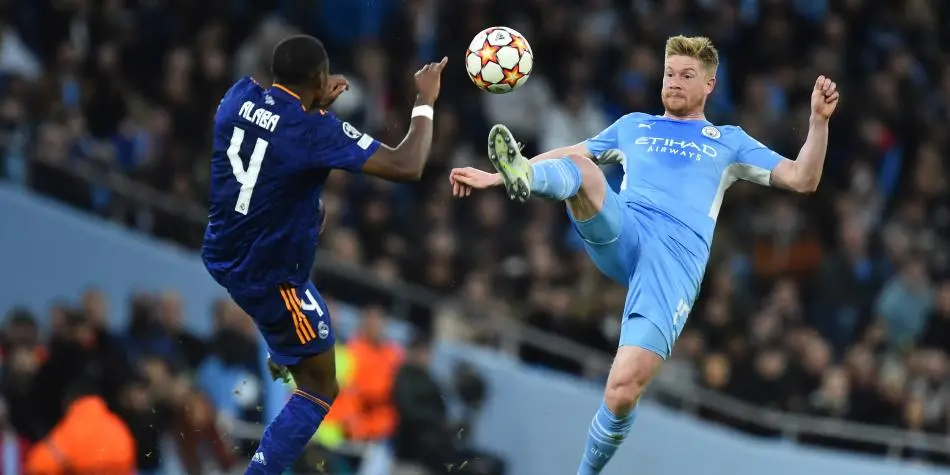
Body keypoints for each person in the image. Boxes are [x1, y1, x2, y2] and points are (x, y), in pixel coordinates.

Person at [449, 35, 839, 474]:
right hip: (625, 231)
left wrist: (818, 122)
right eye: (669, 73)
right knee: (583, 169)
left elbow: (803, 178)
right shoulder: (635, 125)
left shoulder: (728, 141)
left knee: (620, 391)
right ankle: (523, 175)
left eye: (686, 76)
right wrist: (503, 176)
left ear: (710, 84)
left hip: (671, 263)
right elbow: (571, 153)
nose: (674, 82)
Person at [200, 34, 447, 475]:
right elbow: (407, 165)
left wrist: (312, 103)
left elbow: (276, 137)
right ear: (319, 78)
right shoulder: (315, 130)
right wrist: (424, 101)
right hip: (272, 280)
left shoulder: (237, 96)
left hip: (221, 249)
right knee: (319, 388)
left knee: (310, 210)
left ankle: (281, 346)